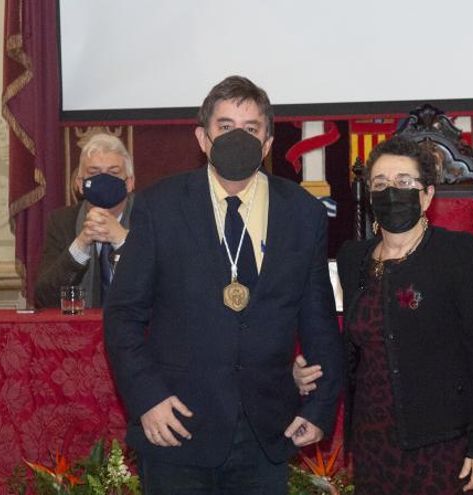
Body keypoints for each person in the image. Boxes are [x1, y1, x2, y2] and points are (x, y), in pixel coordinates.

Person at [103, 75, 344, 494]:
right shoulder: (159, 206)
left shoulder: (303, 213)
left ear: (268, 142)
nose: (240, 138)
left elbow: (319, 321)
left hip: (267, 432)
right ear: (203, 137)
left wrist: (320, 408)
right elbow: (123, 315)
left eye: (251, 129)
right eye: (226, 127)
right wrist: (147, 399)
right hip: (176, 424)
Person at [295, 136, 473, 493]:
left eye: (404, 182)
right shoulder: (353, 258)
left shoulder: (457, 254)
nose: (391, 191)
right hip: (372, 444)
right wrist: (307, 371)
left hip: (442, 446)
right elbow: (352, 348)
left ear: (426, 195)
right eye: (380, 184)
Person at [34, 133, 135, 308]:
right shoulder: (62, 222)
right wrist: (80, 246)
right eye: (94, 173)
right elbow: (44, 297)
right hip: (78, 331)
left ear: (130, 182)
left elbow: (166, 289)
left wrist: (124, 241)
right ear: (80, 184)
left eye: (113, 173)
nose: (103, 181)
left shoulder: (152, 217)